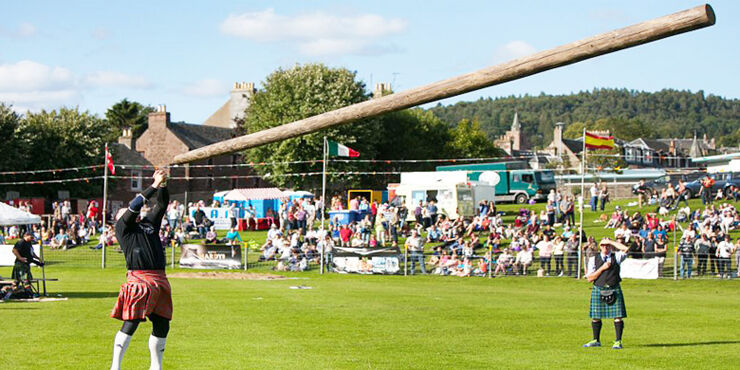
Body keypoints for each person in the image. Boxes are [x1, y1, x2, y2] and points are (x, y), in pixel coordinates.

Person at [110, 170, 171, 370]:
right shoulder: (122, 228)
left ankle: (156, 367)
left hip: (159, 279)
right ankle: (115, 366)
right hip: (139, 279)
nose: (129, 213)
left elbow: (162, 205)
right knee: (132, 321)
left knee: (162, 324)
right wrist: (154, 184)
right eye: (125, 212)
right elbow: (136, 205)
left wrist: (162, 185)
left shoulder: (149, 225)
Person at [583, 238, 630, 350]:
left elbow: (626, 249)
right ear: (600, 247)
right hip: (598, 288)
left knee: (617, 316)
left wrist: (611, 242)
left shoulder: (616, 257)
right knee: (596, 316)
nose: (605, 247)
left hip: (614, 288)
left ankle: (618, 341)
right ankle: (596, 340)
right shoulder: (594, 259)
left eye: (607, 245)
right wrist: (602, 268)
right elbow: (590, 278)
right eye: (603, 245)